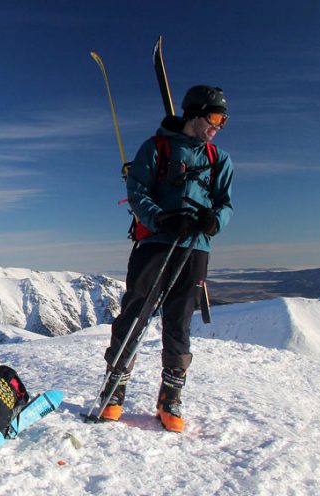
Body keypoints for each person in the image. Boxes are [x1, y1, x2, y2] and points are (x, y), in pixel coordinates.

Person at [100, 85, 234, 432]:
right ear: (195, 113)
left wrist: (214, 221)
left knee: (179, 320)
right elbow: (137, 190)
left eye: (223, 119)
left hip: (195, 248)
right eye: (216, 116)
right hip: (156, 242)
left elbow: (225, 204)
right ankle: (114, 390)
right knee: (136, 310)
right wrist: (160, 218)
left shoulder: (219, 160)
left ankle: (170, 398)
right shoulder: (155, 148)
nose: (219, 125)